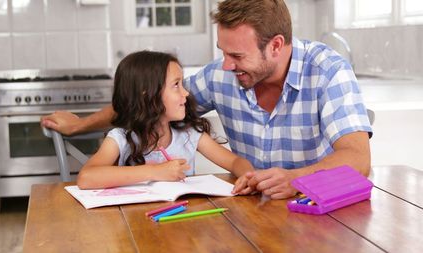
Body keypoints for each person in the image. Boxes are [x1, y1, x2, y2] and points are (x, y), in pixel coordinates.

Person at [42, 0, 372, 199]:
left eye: (236, 55)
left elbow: (358, 158)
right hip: (249, 207)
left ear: (275, 45)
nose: (226, 65)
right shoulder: (221, 75)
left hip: (313, 208)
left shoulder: (329, 71)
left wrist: (295, 180)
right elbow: (144, 101)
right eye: (223, 52)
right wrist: (82, 124)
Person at [76, 50, 255, 194]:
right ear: (147, 94)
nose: (186, 93)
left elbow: (234, 162)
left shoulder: (189, 135)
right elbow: (86, 177)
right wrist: (155, 171)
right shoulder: (121, 139)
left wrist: (248, 176)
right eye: (176, 85)